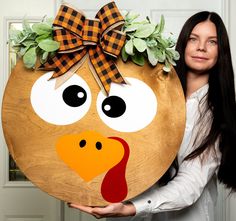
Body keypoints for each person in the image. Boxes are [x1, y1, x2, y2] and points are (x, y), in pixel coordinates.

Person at [68, 11, 236, 221]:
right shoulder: (155, 96)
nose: (201, 47)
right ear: (183, 44)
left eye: (212, 41)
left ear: (222, 51)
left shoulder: (215, 112)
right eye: (194, 39)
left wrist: (130, 207)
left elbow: (190, 182)